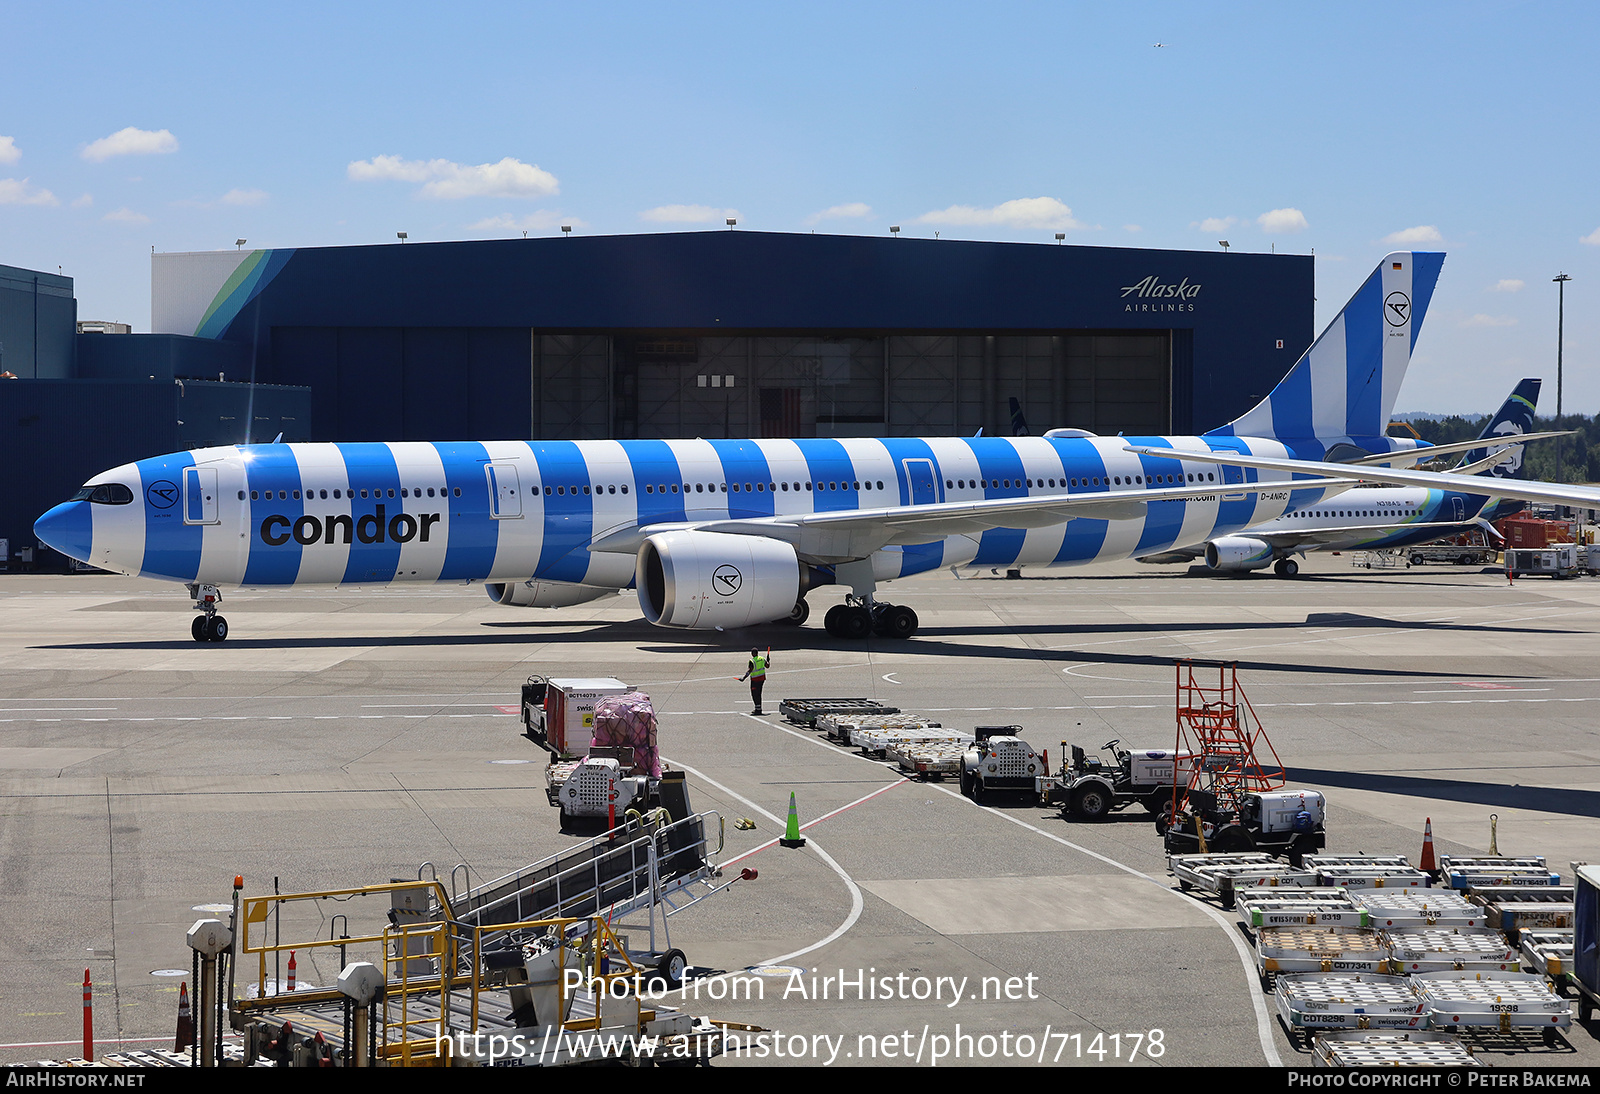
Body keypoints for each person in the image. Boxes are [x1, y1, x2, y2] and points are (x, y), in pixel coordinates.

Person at [739, 647, 770, 715]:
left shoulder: (752, 661)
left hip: (755, 680)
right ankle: (758, 709)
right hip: (762, 679)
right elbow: (767, 666)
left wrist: (743, 678)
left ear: (752, 653)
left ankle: (758, 709)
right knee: (759, 693)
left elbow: (750, 670)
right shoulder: (762, 659)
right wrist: (768, 661)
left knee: (754, 694)